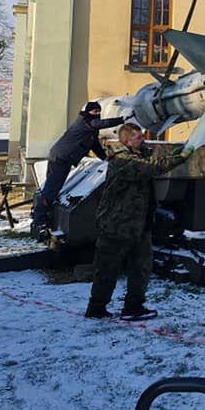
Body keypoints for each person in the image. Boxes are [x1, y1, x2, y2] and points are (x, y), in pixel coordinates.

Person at [84, 122, 192, 320]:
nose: (142, 139)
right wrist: (179, 158)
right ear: (126, 141)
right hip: (116, 224)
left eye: (141, 136)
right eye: (138, 137)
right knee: (107, 269)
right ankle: (97, 308)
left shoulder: (137, 156)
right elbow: (150, 167)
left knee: (141, 267)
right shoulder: (123, 159)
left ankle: (133, 306)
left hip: (139, 225)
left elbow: (152, 162)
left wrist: (174, 155)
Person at [32, 101, 126, 229]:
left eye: (99, 111)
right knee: (52, 188)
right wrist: (121, 119)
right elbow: (99, 124)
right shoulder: (84, 122)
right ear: (87, 112)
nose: (97, 114)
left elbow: (95, 146)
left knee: (53, 188)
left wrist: (105, 158)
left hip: (63, 158)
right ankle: (39, 219)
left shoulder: (91, 129)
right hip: (61, 159)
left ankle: (44, 214)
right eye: (94, 111)